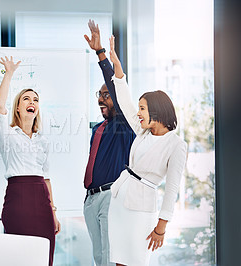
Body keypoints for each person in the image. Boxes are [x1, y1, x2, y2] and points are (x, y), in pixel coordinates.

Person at [106, 35, 188, 266]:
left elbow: (172, 188)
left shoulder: (176, 145)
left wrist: (161, 226)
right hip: (120, 201)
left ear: (157, 112)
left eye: (143, 109)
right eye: (140, 108)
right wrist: (117, 66)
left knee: (137, 260)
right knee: (119, 261)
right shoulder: (143, 132)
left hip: (142, 209)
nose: (138, 113)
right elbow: (124, 100)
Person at [0, 56, 61, 266]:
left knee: (43, 254)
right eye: (26, 99)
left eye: (35, 100)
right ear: (17, 108)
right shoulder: (7, 134)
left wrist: (53, 212)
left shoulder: (43, 140)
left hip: (42, 200)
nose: (32, 102)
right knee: (19, 254)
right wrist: (9, 73)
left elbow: (47, 178)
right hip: (17, 197)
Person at [83, 20, 136, 266]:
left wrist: (101, 54)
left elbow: (116, 90)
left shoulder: (124, 124)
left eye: (107, 96)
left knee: (108, 257)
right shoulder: (98, 128)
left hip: (110, 195)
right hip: (91, 199)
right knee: (98, 257)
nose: (102, 100)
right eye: (99, 95)